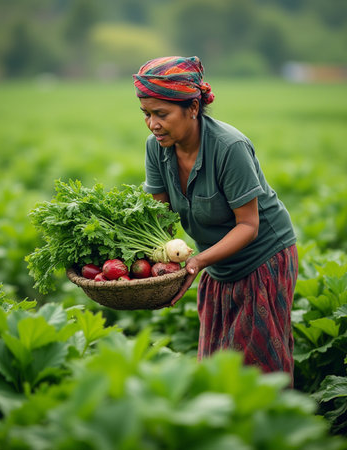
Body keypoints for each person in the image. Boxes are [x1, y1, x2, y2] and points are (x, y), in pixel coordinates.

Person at [133, 56, 298, 385]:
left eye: (161, 114)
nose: (153, 124)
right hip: (215, 263)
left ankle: (273, 432)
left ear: (193, 108)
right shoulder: (157, 148)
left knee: (257, 367)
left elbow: (248, 226)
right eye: (147, 115)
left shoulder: (228, 147)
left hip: (262, 259)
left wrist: (197, 261)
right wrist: (142, 259)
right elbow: (159, 218)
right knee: (215, 362)